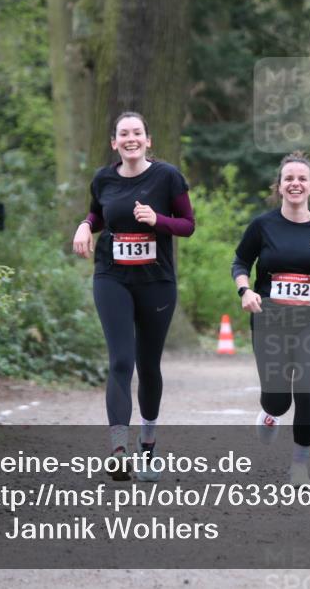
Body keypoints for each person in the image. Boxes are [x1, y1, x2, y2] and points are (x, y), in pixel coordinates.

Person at [72, 111, 195, 482]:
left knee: (148, 365)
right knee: (121, 361)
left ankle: (149, 445)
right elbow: (98, 214)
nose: (131, 139)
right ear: (114, 143)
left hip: (156, 282)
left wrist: (158, 221)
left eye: (137, 133)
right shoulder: (103, 178)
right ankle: (119, 449)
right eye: (123, 133)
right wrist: (85, 226)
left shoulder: (167, 176)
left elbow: (188, 225)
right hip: (112, 277)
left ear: (147, 140)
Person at [232, 152, 310, 487]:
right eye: (289, 178)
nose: (295, 183)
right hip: (270, 317)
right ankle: (270, 412)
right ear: (280, 186)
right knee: (277, 398)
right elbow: (241, 262)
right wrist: (245, 291)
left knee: (307, 387)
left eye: (302, 178)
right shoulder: (263, 225)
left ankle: (300, 463)